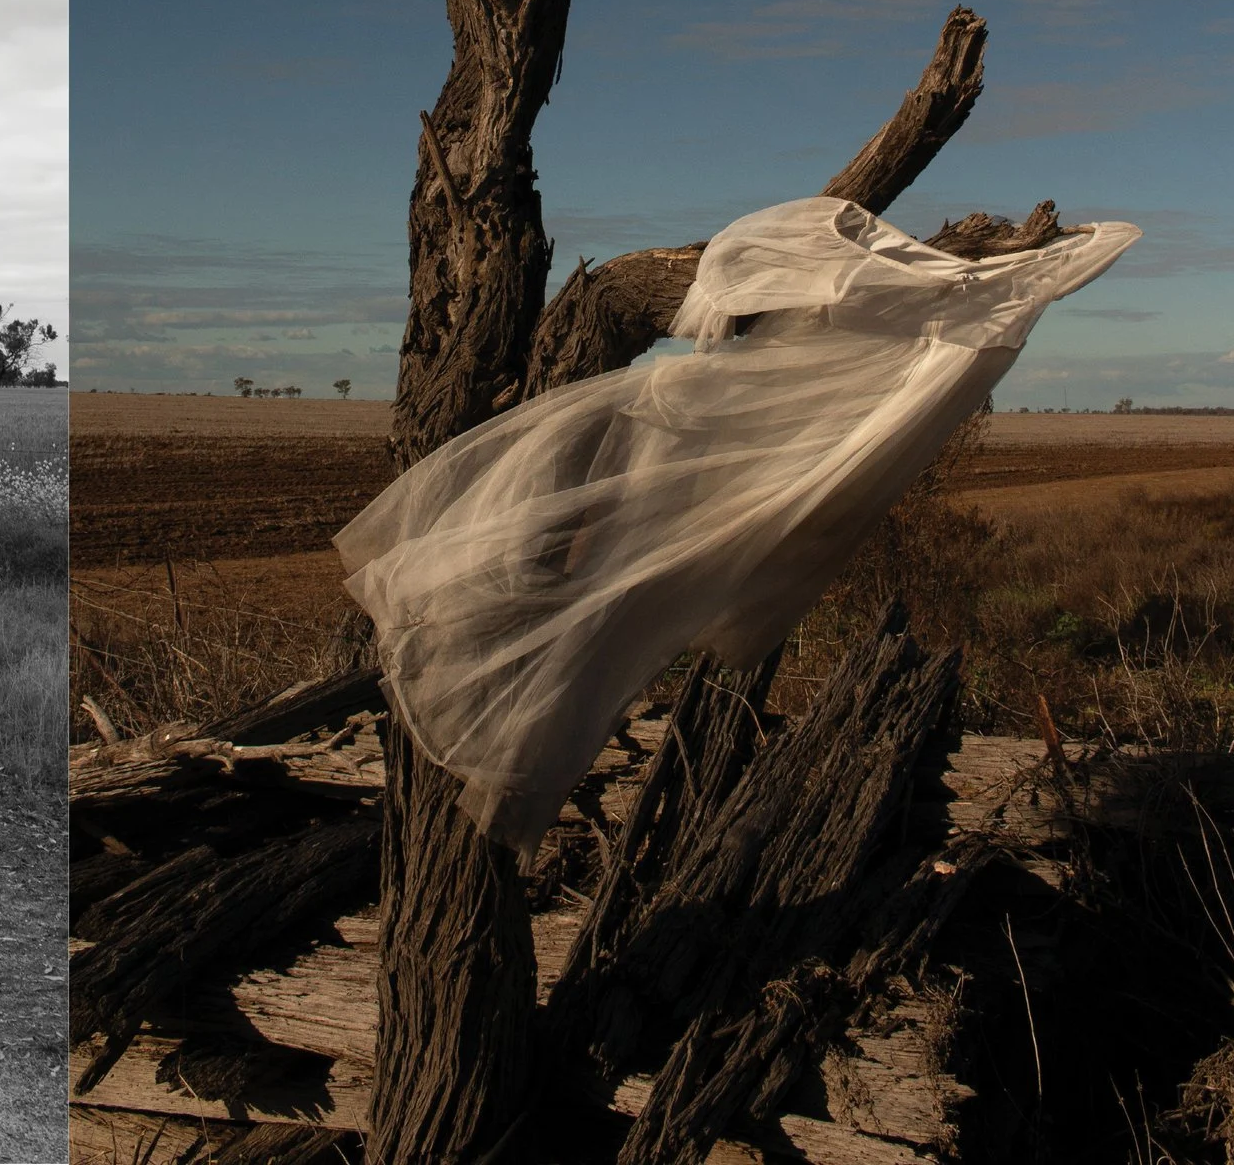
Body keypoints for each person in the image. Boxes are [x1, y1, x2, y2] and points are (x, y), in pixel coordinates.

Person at [335, 195, 1140, 850]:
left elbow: (727, 291)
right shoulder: (825, 247)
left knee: (630, 595)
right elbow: (722, 291)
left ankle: (519, 738)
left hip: (767, 445)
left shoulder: (956, 299)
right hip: (714, 423)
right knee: (599, 571)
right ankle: (494, 695)